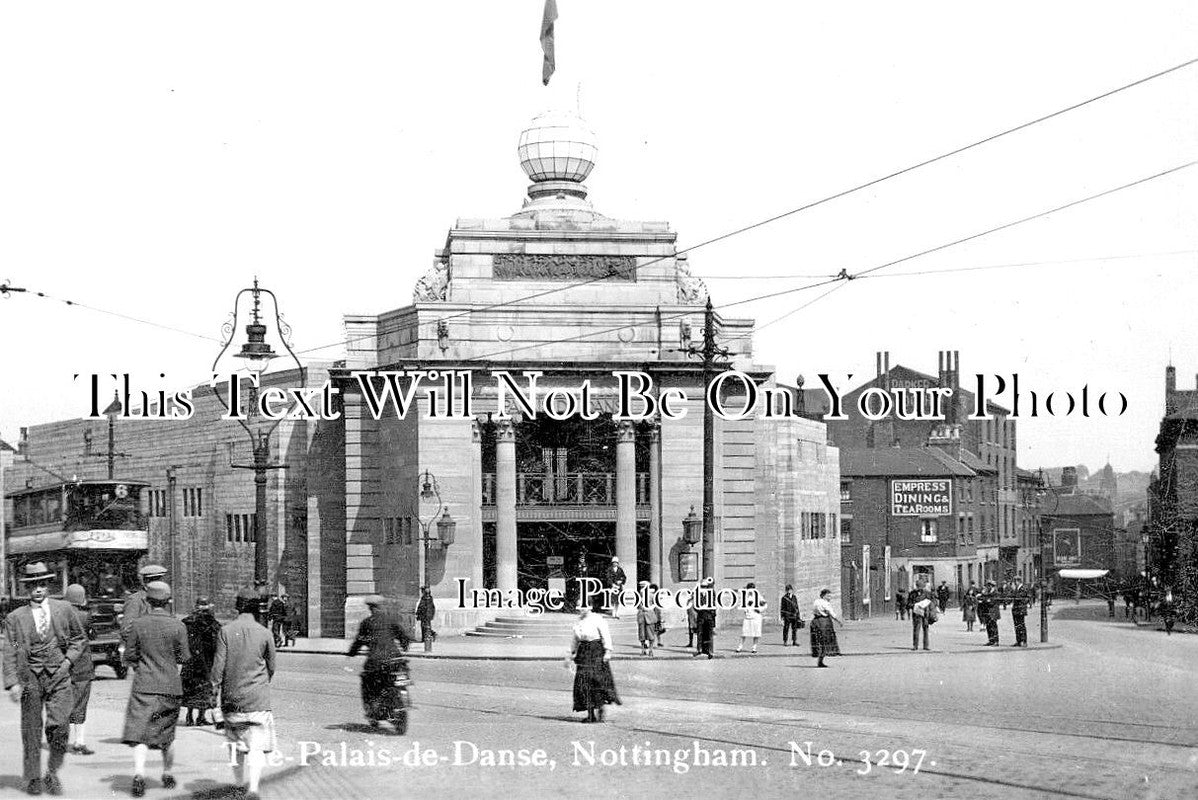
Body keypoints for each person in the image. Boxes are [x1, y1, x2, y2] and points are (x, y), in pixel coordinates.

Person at [3, 561, 88, 796]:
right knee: (31, 730)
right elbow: (12, 647)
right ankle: (32, 778)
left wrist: (68, 661)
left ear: (48, 586)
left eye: (41, 584)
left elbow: (79, 639)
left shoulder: (64, 609)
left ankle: (52, 771)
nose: (37, 590)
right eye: (32, 585)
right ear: (26, 589)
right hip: (30, 676)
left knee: (60, 726)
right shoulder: (15, 617)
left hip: (59, 675)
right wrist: (12, 682)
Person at [122, 581, 190, 798]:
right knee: (167, 734)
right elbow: (184, 657)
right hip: (170, 686)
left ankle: (139, 775)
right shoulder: (178, 626)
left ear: (148, 601)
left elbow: (129, 656)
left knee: (140, 732)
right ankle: (167, 773)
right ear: (168, 601)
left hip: (144, 685)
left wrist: (141, 665)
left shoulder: (138, 624)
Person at [214, 588, 279, 800]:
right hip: (258, 700)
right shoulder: (265, 633)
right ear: (256, 607)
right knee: (257, 746)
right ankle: (253, 788)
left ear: (237, 607)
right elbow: (271, 667)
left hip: (232, 700)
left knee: (235, 745)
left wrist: (215, 694)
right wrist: (259, 683)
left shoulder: (225, 631)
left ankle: (239, 784)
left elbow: (218, 670)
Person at [348, 595, 413, 726]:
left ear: (371, 608)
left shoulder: (367, 623)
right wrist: (404, 646)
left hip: (376, 660)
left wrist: (352, 652)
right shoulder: (390, 619)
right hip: (396, 658)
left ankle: (372, 710)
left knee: (366, 681)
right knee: (397, 679)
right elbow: (403, 636)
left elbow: (359, 641)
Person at [568, 604, 620, 723]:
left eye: (583, 606)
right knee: (583, 682)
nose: (581, 608)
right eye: (578, 605)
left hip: (596, 650)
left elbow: (606, 635)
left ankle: (600, 706)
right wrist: (571, 652)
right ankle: (590, 714)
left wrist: (608, 651)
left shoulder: (597, 619)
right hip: (583, 652)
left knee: (596, 681)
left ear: (590, 606)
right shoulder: (578, 622)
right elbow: (575, 639)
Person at [64, 584, 96, 756]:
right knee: (81, 703)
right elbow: (92, 635)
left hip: (64, 665)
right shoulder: (86, 616)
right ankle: (79, 742)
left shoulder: (59, 615)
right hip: (83, 665)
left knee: (62, 703)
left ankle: (60, 741)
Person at [180, 597, 221, 726]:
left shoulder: (188, 622)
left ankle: (189, 716)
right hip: (207, 659)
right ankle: (201, 717)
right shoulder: (212, 623)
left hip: (191, 659)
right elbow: (216, 641)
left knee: (191, 686)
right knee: (204, 687)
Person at [120, 564, 168, 648]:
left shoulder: (163, 598)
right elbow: (127, 630)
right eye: (155, 580)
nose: (159, 583)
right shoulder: (135, 600)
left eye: (159, 580)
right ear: (146, 581)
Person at [809, 588, 842, 667]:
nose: (829, 598)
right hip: (824, 622)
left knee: (818, 641)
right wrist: (839, 621)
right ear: (824, 596)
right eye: (828, 596)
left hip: (815, 622)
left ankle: (819, 658)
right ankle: (820, 660)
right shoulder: (825, 603)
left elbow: (814, 611)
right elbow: (832, 614)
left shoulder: (816, 601)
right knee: (826, 641)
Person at [692, 577, 717, 659]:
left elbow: (714, 605)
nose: (704, 588)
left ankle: (709, 651)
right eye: (702, 586)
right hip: (701, 615)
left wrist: (713, 615)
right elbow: (695, 605)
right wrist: (699, 611)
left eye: (705, 586)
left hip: (709, 615)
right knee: (700, 633)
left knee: (709, 634)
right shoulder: (697, 594)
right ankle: (699, 649)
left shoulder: (712, 593)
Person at [736, 583, 765, 654]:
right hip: (748, 617)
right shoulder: (745, 597)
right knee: (744, 632)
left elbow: (764, 604)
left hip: (756, 617)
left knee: (756, 633)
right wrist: (745, 610)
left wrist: (759, 609)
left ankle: (754, 648)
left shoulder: (758, 596)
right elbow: (741, 605)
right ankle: (740, 647)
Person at [635, 582, 659, 657]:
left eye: (644, 587)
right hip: (641, 617)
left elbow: (656, 606)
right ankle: (643, 650)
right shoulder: (638, 597)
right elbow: (636, 606)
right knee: (642, 635)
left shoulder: (652, 596)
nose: (642, 589)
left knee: (650, 635)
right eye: (641, 587)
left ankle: (651, 650)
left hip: (650, 617)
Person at [909, 584, 933, 651]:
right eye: (918, 587)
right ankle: (915, 645)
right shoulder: (912, 594)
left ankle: (926, 646)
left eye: (921, 587)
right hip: (916, 614)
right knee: (916, 629)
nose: (919, 588)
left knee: (926, 629)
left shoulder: (927, 593)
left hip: (925, 614)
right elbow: (908, 604)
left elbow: (931, 602)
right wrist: (914, 605)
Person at [1009, 577, 1030, 647]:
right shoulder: (1017, 589)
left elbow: (1019, 597)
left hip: (1020, 609)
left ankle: (1024, 641)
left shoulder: (1023, 588)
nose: (1014, 583)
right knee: (1017, 626)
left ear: (1018, 581)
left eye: (1015, 581)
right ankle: (1018, 641)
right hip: (1016, 609)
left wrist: (1013, 590)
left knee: (1021, 626)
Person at [981, 580, 1002, 646]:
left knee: (993, 626)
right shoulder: (988, 592)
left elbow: (992, 602)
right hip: (988, 611)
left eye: (988, 586)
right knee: (988, 626)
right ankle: (991, 640)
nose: (987, 587)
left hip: (993, 612)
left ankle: (996, 641)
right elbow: (984, 599)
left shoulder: (996, 592)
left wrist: (987, 600)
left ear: (991, 586)